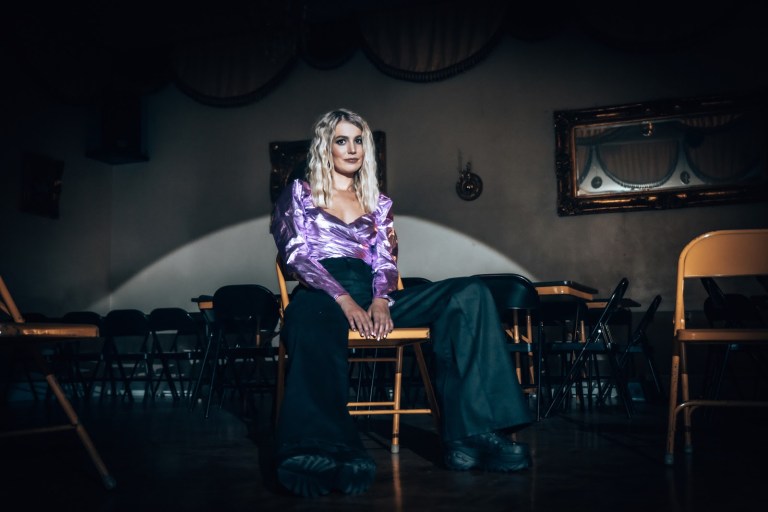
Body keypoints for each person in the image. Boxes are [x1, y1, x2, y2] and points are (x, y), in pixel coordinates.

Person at [270, 108, 533, 498]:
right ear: (326, 146)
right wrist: (345, 301)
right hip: (322, 293)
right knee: (310, 317)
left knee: (469, 293)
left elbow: (385, 260)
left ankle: (473, 436)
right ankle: (321, 448)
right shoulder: (300, 192)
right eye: (342, 140)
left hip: (374, 293)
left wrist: (379, 299)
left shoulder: (378, 202)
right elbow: (296, 257)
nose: (352, 148)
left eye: (359, 140)